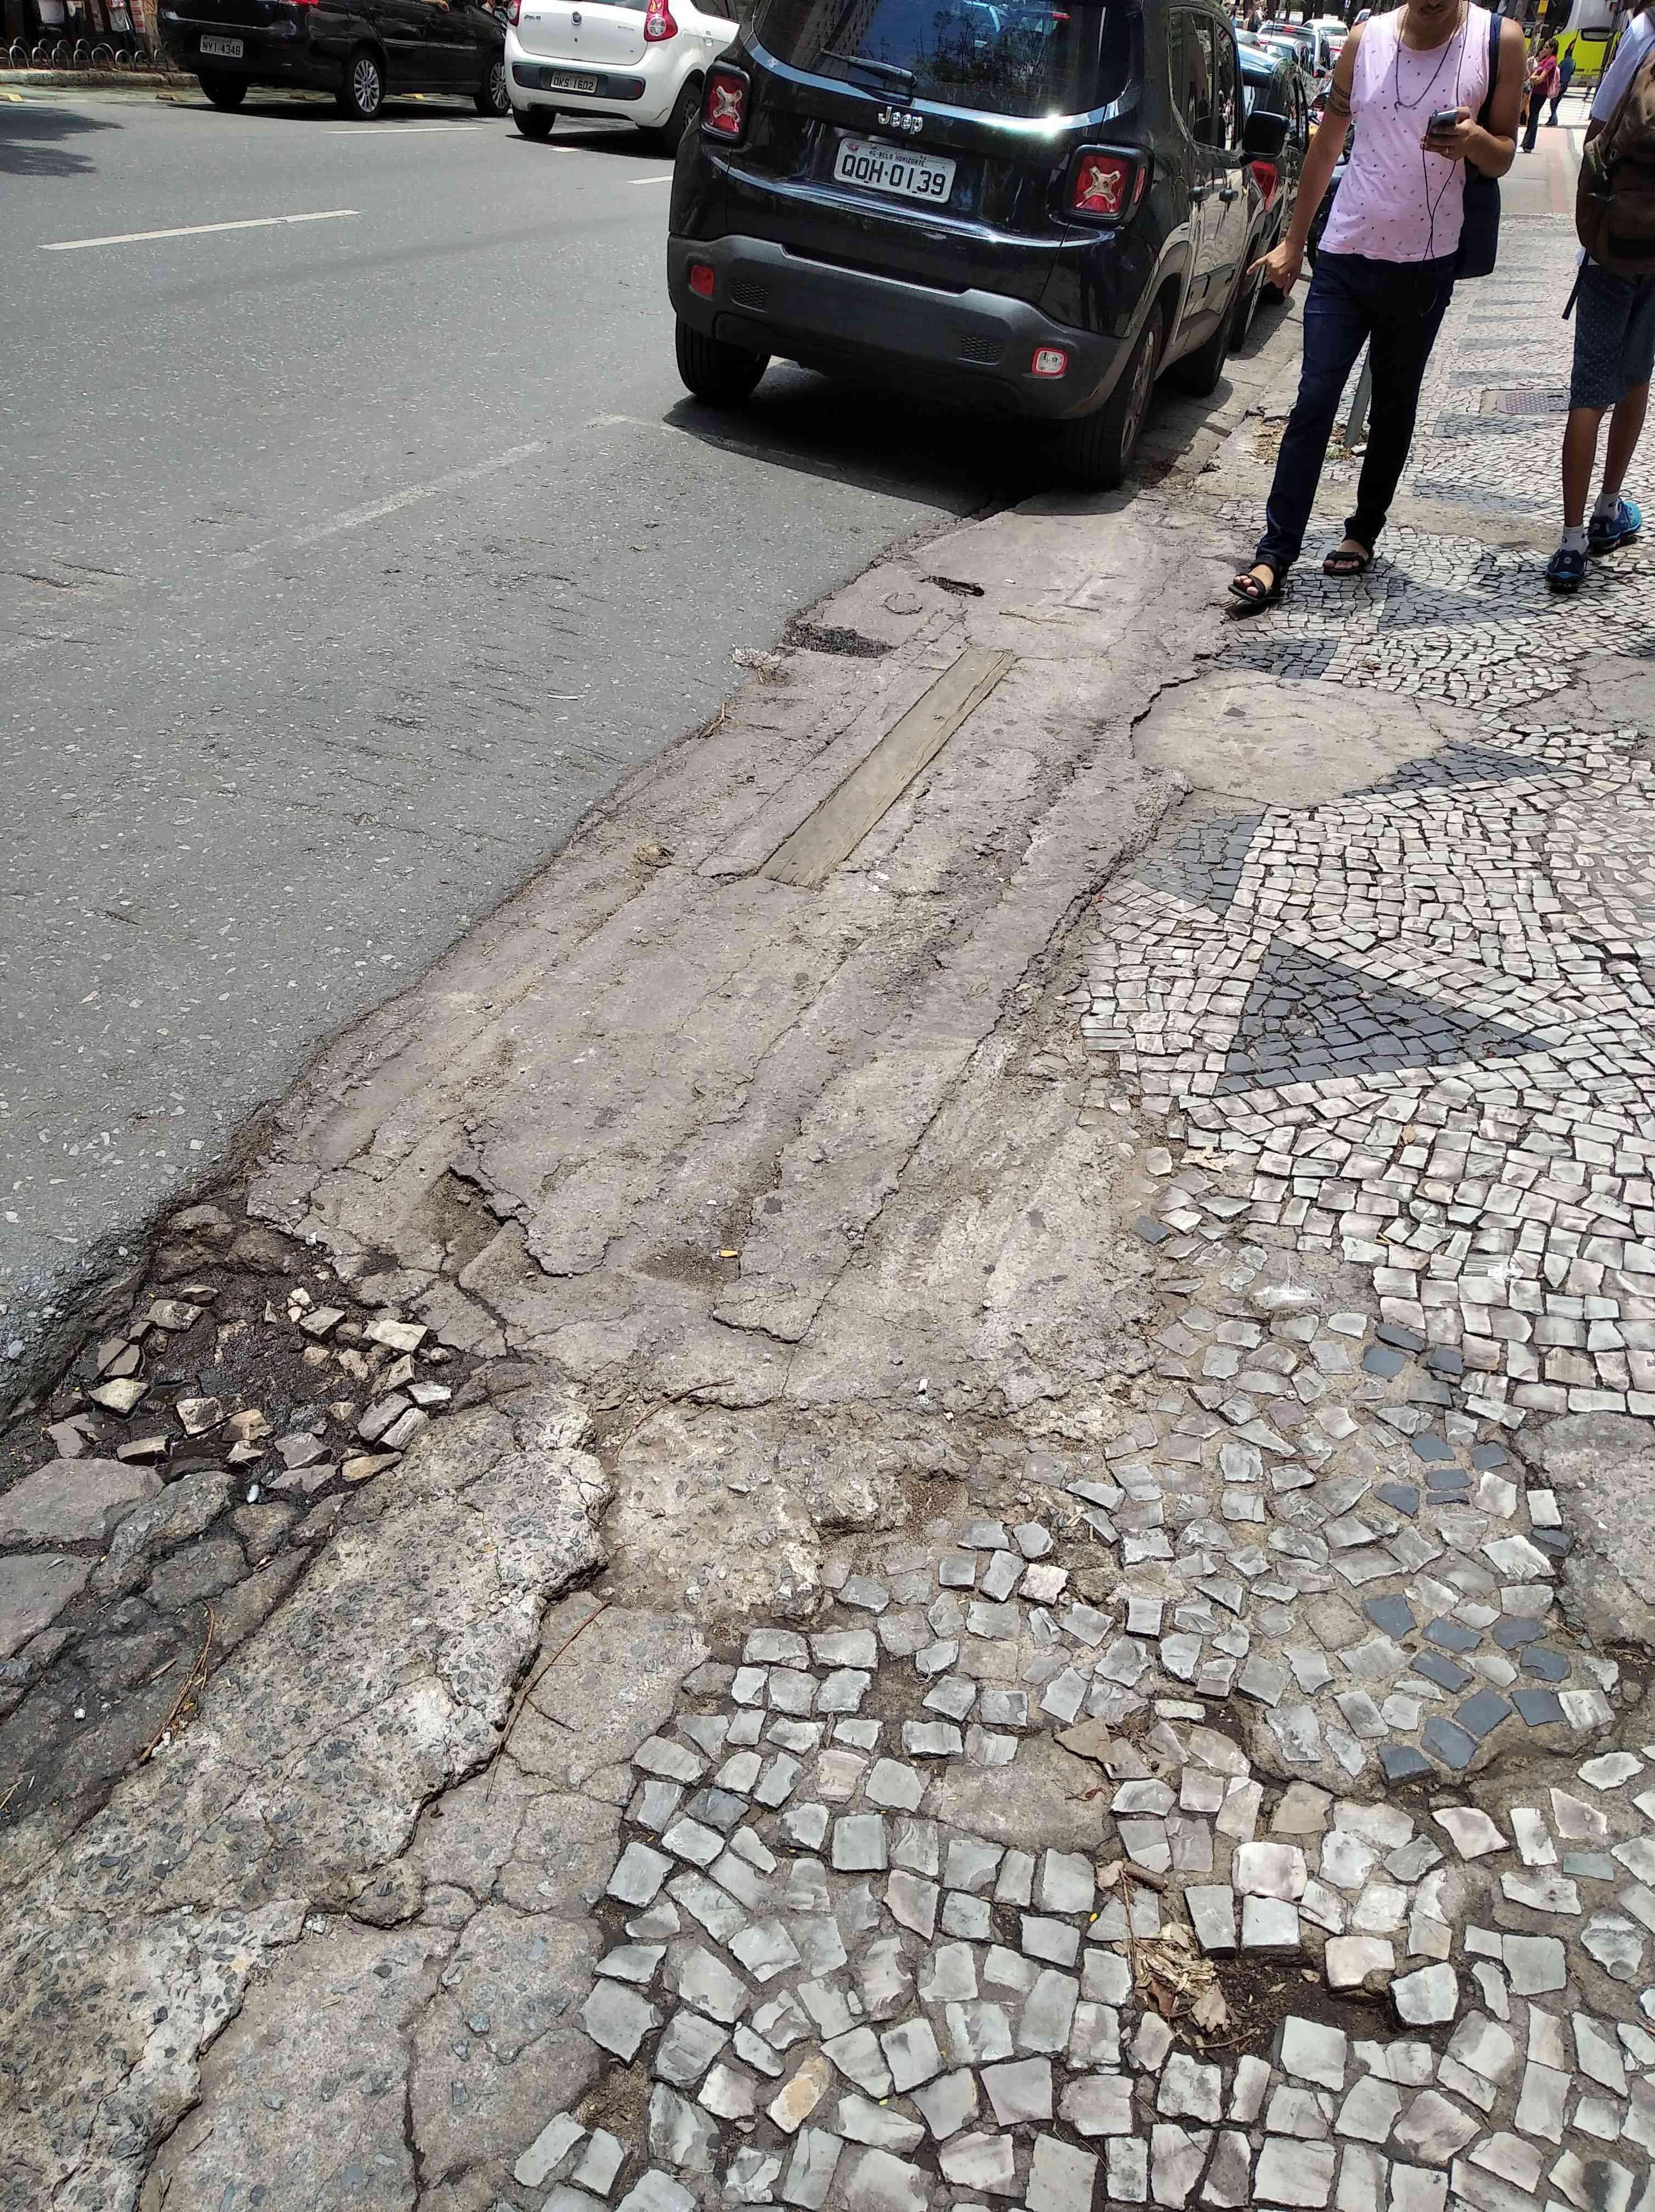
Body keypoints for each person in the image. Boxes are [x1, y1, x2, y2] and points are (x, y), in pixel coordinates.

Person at [1229, 0, 1523, 607]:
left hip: (1426, 264)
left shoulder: (1499, 40)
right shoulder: (1365, 41)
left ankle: (1363, 531)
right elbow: (1325, 144)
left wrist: (1472, 140)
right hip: (1344, 253)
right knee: (1313, 402)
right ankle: (1274, 554)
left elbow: (1502, 154)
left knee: (1394, 405)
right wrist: (1293, 242)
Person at [1545, 0, 1655, 591]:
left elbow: (1597, 133)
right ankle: (1609, 512)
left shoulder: (1643, 30)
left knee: (1589, 391)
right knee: (1636, 378)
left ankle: (1571, 545)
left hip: (1612, 245)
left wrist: (1594, 221)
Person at [1523, 38, 1560, 149]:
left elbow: (1540, 78)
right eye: (1544, 47)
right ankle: (1528, 144)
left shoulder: (1552, 60)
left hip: (1541, 92)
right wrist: (1535, 79)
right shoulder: (1545, 60)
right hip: (1536, 91)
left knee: (1533, 117)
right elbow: (1533, 76)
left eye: (1547, 47)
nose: (1544, 49)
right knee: (1533, 116)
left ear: (1552, 49)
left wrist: (1535, 79)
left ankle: (1528, 144)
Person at [1549, 38, 1576, 122]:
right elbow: (1572, 72)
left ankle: (1554, 118)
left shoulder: (1564, 61)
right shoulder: (1573, 62)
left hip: (1560, 84)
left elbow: (1557, 70)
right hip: (1566, 84)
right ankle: (1553, 118)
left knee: (1553, 102)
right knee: (1557, 102)